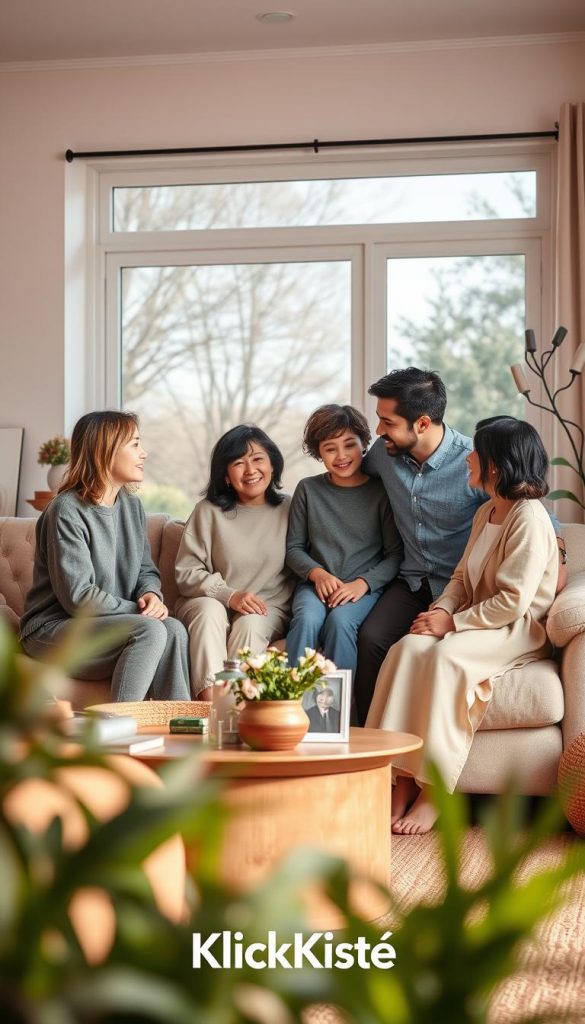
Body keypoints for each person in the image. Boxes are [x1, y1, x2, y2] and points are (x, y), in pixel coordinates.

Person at [366, 416, 559, 835]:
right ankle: (395, 780)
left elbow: (512, 602)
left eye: (477, 452)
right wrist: (439, 613)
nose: (467, 457)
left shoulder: (528, 518)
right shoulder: (488, 509)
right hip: (474, 619)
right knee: (406, 650)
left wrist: (452, 625)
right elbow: (458, 578)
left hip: (514, 629)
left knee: (447, 660)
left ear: (495, 465)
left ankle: (435, 792)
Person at [354, 367, 565, 724]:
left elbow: (538, 518)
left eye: (387, 422)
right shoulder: (383, 454)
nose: (378, 431)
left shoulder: (477, 463)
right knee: (374, 639)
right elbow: (350, 477)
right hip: (415, 581)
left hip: (466, 591)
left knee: (427, 651)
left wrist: (556, 563)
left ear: (421, 423)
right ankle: (368, 745)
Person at [20, 411, 190, 702]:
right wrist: (139, 611)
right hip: (52, 629)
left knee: (173, 629)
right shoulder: (66, 510)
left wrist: (151, 595)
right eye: (135, 444)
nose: (144, 453)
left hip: (107, 625)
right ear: (105, 450)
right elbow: (79, 596)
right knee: (149, 629)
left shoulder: (132, 507)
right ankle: (116, 727)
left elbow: (145, 570)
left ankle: (179, 727)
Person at [175, 425, 294, 699]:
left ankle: (232, 712)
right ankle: (209, 708)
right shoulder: (208, 511)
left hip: (267, 607)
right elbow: (186, 571)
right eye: (238, 463)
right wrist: (229, 596)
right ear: (226, 476)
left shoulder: (292, 509)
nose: (250, 470)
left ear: (273, 465)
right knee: (209, 611)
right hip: (210, 601)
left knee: (250, 622)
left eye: (257, 459)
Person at [285, 404, 402, 680]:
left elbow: (395, 554)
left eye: (349, 445)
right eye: (330, 448)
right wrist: (318, 574)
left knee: (340, 622)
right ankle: (289, 705)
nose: (341, 456)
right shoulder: (308, 489)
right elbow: (294, 549)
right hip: (315, 587)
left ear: (364, 444)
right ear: (319, 453)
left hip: (361, 589)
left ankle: (339, 717)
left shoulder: (380, 491)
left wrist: (362, 584)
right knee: (306, 620)